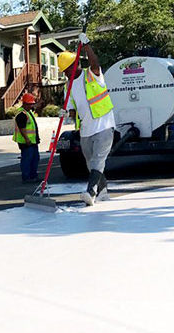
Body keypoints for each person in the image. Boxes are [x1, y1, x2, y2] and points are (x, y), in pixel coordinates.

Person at [59, 32, 115, 206]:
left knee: (99, 160)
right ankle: (103, 192)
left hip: (104, 125)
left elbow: (95, 64)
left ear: (75, 65)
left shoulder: (91, 75)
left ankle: (91, 192)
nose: (66, 74)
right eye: (64, 72)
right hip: (86, 130)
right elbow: (73, 111)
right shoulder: (69, 86)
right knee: (92, 164)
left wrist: (87, 45)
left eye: (67, 69)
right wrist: (66, 114)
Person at [14, 93, 40, 183]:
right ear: (24, 103)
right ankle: (26, 177)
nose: (31, 105)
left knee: (35, 158)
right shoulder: (22, 114)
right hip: (26, 142)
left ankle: (33, 176)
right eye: (29, 104)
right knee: (27, 159)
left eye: (32, 103)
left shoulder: (28, 112)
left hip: (32, 141)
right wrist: (27, 139)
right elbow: (22, 128)